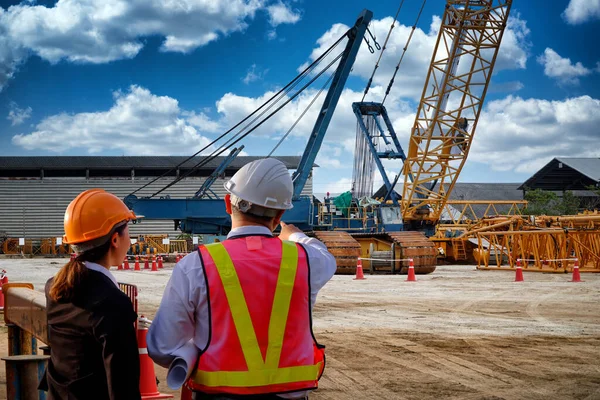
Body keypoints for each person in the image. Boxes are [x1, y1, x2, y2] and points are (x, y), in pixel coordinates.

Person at [147, 158, 337, 399]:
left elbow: (162, 347)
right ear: (279, 215)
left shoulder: (195, 266)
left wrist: (195, 350)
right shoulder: (308, 260)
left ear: (228, 203)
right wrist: (296, 236)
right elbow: (326, 257)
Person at [40, 189, 141, 400]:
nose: (130, 241)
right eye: (128, 232)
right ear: (115, 239)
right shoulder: (113, 302)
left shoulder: (55, 287)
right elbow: (123, 385)